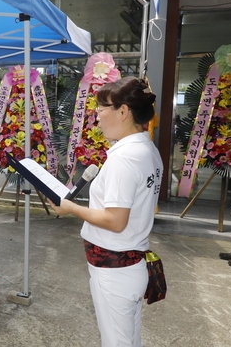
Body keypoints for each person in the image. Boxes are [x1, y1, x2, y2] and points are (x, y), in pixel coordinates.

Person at [48, 76, 163, 346]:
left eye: (101, 109)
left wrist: (71, 208)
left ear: (123, 111)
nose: (96, 118)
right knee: (129, 339)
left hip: (115, 270)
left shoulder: (124, 158)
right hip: (130, 263)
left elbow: (115, 220)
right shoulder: (146, 149)